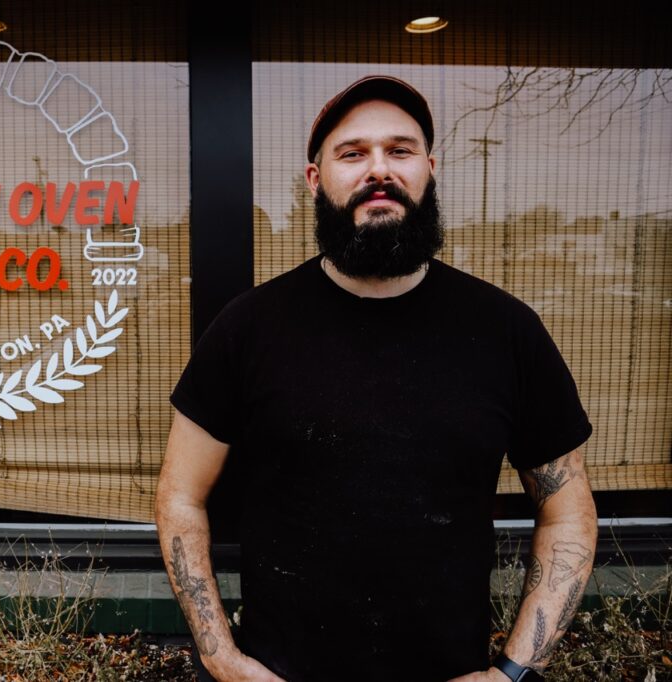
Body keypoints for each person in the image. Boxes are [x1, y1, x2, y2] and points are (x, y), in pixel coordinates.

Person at [155, 75, 598, 681]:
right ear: (316, 179)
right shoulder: (248, 328)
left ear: (429, 169)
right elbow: (180, 497)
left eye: (400, 150)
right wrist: (220, 656)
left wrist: (513, 673)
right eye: (353, 153)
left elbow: (567, 511)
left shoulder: (507, 331)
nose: (379, 170)